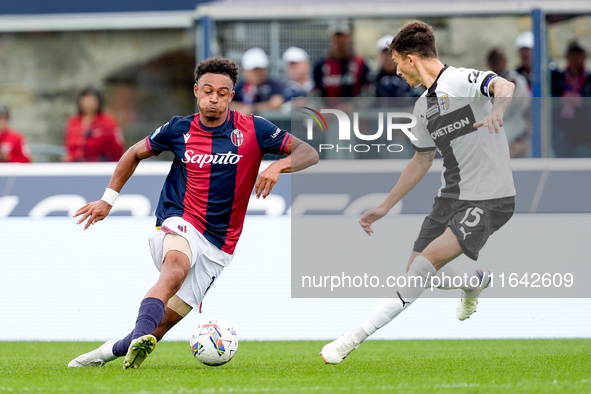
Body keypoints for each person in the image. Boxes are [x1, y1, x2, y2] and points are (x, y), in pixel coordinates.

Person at [68, 57, 318, 369]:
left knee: (159, 326)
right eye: (209, 91)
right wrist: (108, 199)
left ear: (231, 95)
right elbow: (134, 153)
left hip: (220, 243)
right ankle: (138, 341)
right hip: (180, 218)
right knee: (174, 270)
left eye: (223, 93)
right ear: (196, 91)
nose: (215, 98)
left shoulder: (253, 129)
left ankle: (104, 354)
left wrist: (279, 165)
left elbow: (309, 152)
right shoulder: (178, 129)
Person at [320, 20, 516, 364]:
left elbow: (503, 85)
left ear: (411, 59)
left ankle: (351, 339)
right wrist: (384, 206)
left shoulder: (458, 81)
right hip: (451, 196)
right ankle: (473, 281)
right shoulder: (422, 108)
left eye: (396, 61)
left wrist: (497, 109)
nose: (395, 70)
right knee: (415, 270)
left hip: (490, 196)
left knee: (422, 267)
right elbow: (421, 160)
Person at [486, 47, 531, 157]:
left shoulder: (517, 81)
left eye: (498, 59)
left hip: (516, 133)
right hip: (494, 135)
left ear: (505, 61)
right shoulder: (485, 84)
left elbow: (518, 106)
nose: (495, 63)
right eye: (492, 61)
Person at [551, 39, 591, 157]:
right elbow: (551, 99)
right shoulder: (557, 78)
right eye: (573, 54)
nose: (576, 58)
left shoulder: (589, 79)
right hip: (562, 130)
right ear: (567, 57)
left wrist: (580, 101)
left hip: (583, 134)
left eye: (580, 54)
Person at [312, 19, 371, 98]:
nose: (339, 40)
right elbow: (315, 93)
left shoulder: (360, 63)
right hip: (326, 109)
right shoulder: (321, 65)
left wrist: (353, 105)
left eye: (343, 36)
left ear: (349, 37)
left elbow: (368, 93)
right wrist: (321, 107)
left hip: (354, 110)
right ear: (331, 37)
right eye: (336, 36)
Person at [64, 86, 124, 162]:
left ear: (98, 102)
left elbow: (117, 148)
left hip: (99, 167)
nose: (88, 103)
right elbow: (68, 146)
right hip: (75, 166)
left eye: (92, 99)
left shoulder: (108, 122)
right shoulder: (73, 121)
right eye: (86, 99)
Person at [230, 48, 286, 115]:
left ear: (266, 69)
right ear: (245, 71)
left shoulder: (274, 85)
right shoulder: (239, 87)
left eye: (260, 69)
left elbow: (276, 103)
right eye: (253, 70)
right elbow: (229, 104)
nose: (257, 73)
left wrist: (252, 108)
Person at [373, 34, 423, 98]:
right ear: (379, 56)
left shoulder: (409, 80)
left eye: (390, 54)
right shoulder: (372, 81)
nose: (388, 58)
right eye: (385, 53)